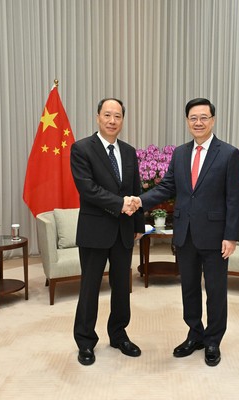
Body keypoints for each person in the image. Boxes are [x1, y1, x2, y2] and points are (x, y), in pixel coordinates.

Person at [129, 98, 239, 366]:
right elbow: (167, 187)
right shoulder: (180, 153)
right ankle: (195, 334)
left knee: (215, 290)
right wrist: (139, 201)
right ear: (187, 121)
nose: (198, 122)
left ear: (213, 120)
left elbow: (234, 198)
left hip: (215, 236)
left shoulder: (228, 153)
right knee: (189, 288)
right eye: (193, 118)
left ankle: (213, 341)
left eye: (204, 117)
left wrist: (231, 236)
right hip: (185, 234)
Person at [70, 98, 145, 366]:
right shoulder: (81, 149)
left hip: (124, 230)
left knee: (122, 288)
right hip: (94, 230)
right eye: (107, 115)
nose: (112, 121)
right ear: (98, 117)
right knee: (90, 288)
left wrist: (138, 225)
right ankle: (85, 341)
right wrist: (120, 203)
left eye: (118, 116)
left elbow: (135, 189)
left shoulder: (129, 151)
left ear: (123, 120)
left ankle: (118, 335)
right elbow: (87, 188)